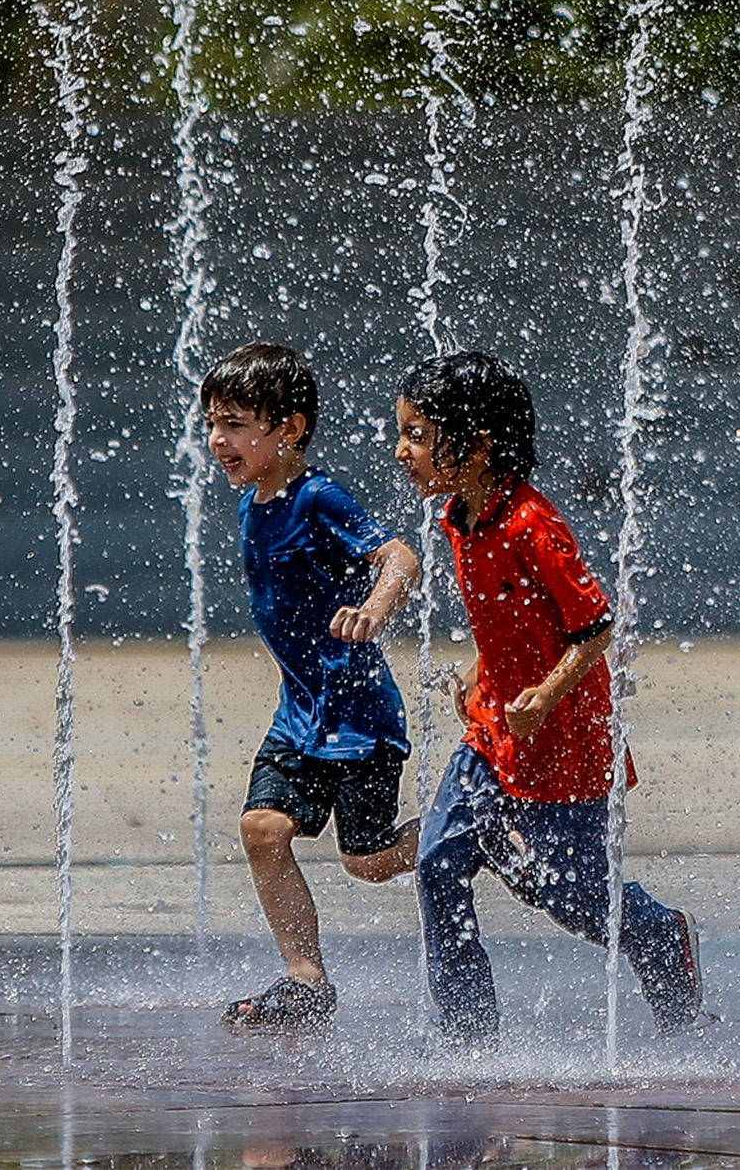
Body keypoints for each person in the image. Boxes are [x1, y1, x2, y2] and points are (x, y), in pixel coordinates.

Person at [394, 351, 702, 1045]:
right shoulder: (457, 517)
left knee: (577, 899)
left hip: (564, 740)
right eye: (403, 432)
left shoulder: (536, 526)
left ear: (474, 446)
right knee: (437, 860)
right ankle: (469, 1035)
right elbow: (507, 617)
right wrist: (483, 669)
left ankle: (660, 935)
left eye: (416, 434)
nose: (402, 450)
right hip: (493, 729)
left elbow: (592, 627)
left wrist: (545, 692)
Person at [202, 340, 423, 1027]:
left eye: (236, 424)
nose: (218, 439)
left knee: (369, 860)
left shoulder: (317, 495)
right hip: (299, 713)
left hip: (356, 715)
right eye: (212, 422)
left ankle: (468, 826)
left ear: (288, 429)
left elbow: (400, 554)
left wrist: (377, 607)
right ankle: (306, 980)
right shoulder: (253, 502)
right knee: (262, 828)